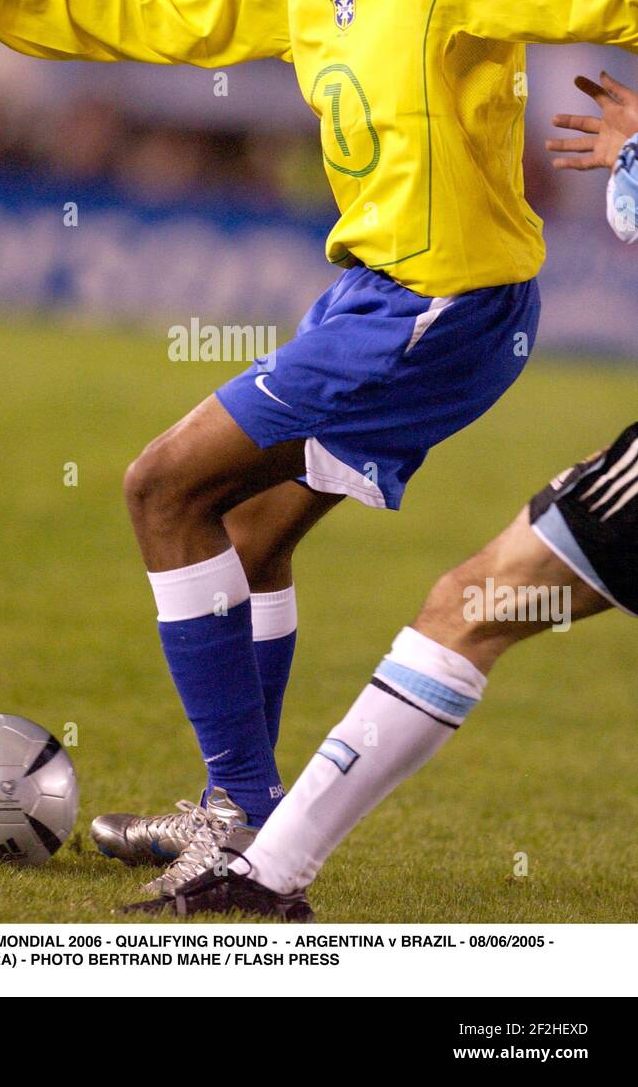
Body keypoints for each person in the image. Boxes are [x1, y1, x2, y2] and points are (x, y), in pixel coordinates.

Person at [0, 0, 638, 904]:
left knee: (162, 487)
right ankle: (240, 811)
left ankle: (237, 818)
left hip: (439, 311)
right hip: (377, 300)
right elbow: (138, 12)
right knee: (251, 532)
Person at [129, 69, 638, 921]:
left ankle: (261, 869)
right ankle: (242, 817)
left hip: (455, 304)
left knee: (469, 608)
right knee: (262, 529)